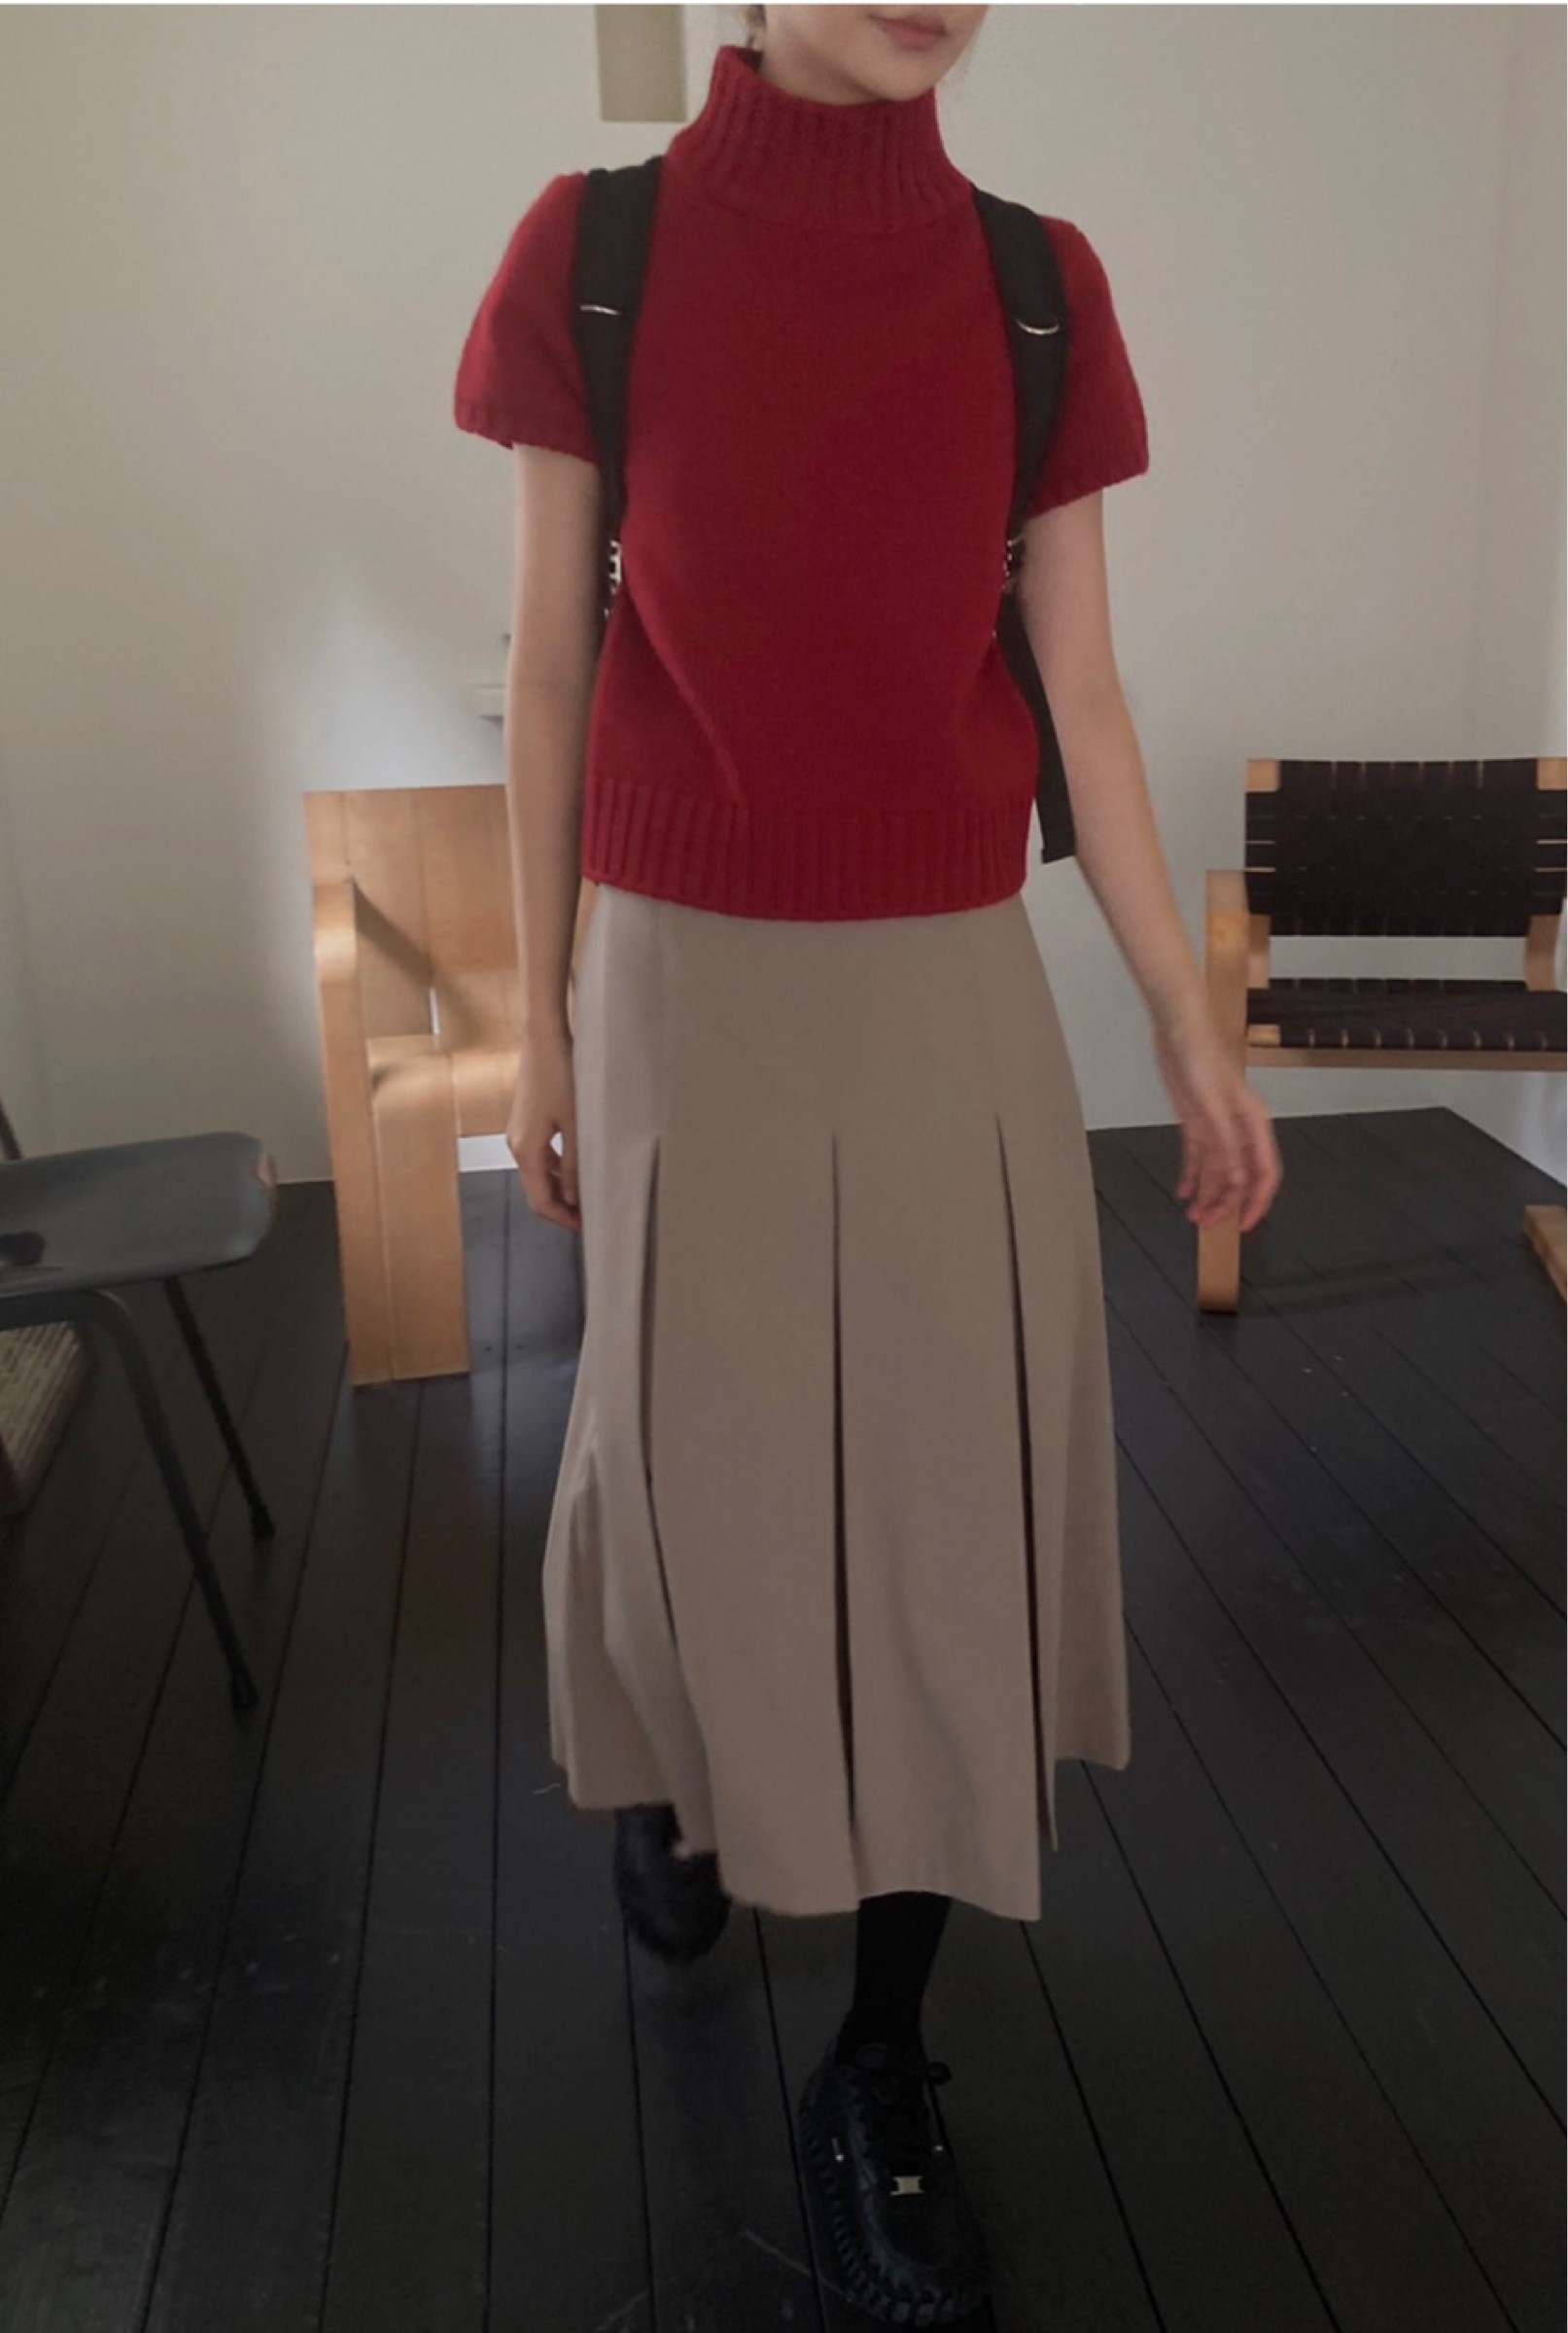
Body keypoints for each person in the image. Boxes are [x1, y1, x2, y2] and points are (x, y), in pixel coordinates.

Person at [454, 6, 1281, 2319]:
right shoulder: (594, 255)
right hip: (679, 973)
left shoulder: (1036, 286)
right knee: (684, 1463)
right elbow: (549, 668)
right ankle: (672, 1767)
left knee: (947, 1514)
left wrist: (1183, 1018)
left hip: (944, 977)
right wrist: (538, 1001)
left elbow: (1081, 694)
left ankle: (887, 2055)